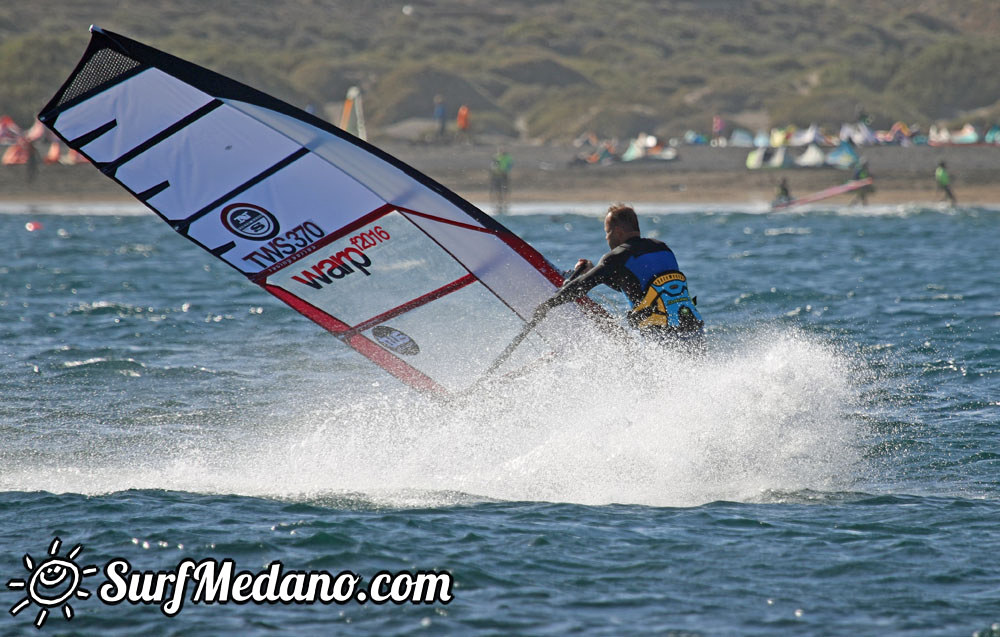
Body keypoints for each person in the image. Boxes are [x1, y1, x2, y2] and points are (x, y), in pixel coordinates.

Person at [531, 204, 704, 350]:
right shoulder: (663, 248)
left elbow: (580, 287)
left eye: (607, 232)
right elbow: (639, 288)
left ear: (618, 232)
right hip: (692, 327)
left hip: (663, 336)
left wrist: (547, 305)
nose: (607, 238)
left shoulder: (617, 257)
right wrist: (596, 272)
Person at [490, 146, 512, 214]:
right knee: (498, 189)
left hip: (504, 174)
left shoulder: (508, 157)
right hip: (496, 175)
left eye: (502, 150)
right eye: (500, 150)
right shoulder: (495, 156)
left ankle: (505, 203)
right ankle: (499, 203)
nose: (501, 151)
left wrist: (505, 170)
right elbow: (492, 165)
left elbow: (510, 165)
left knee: (505, 189)